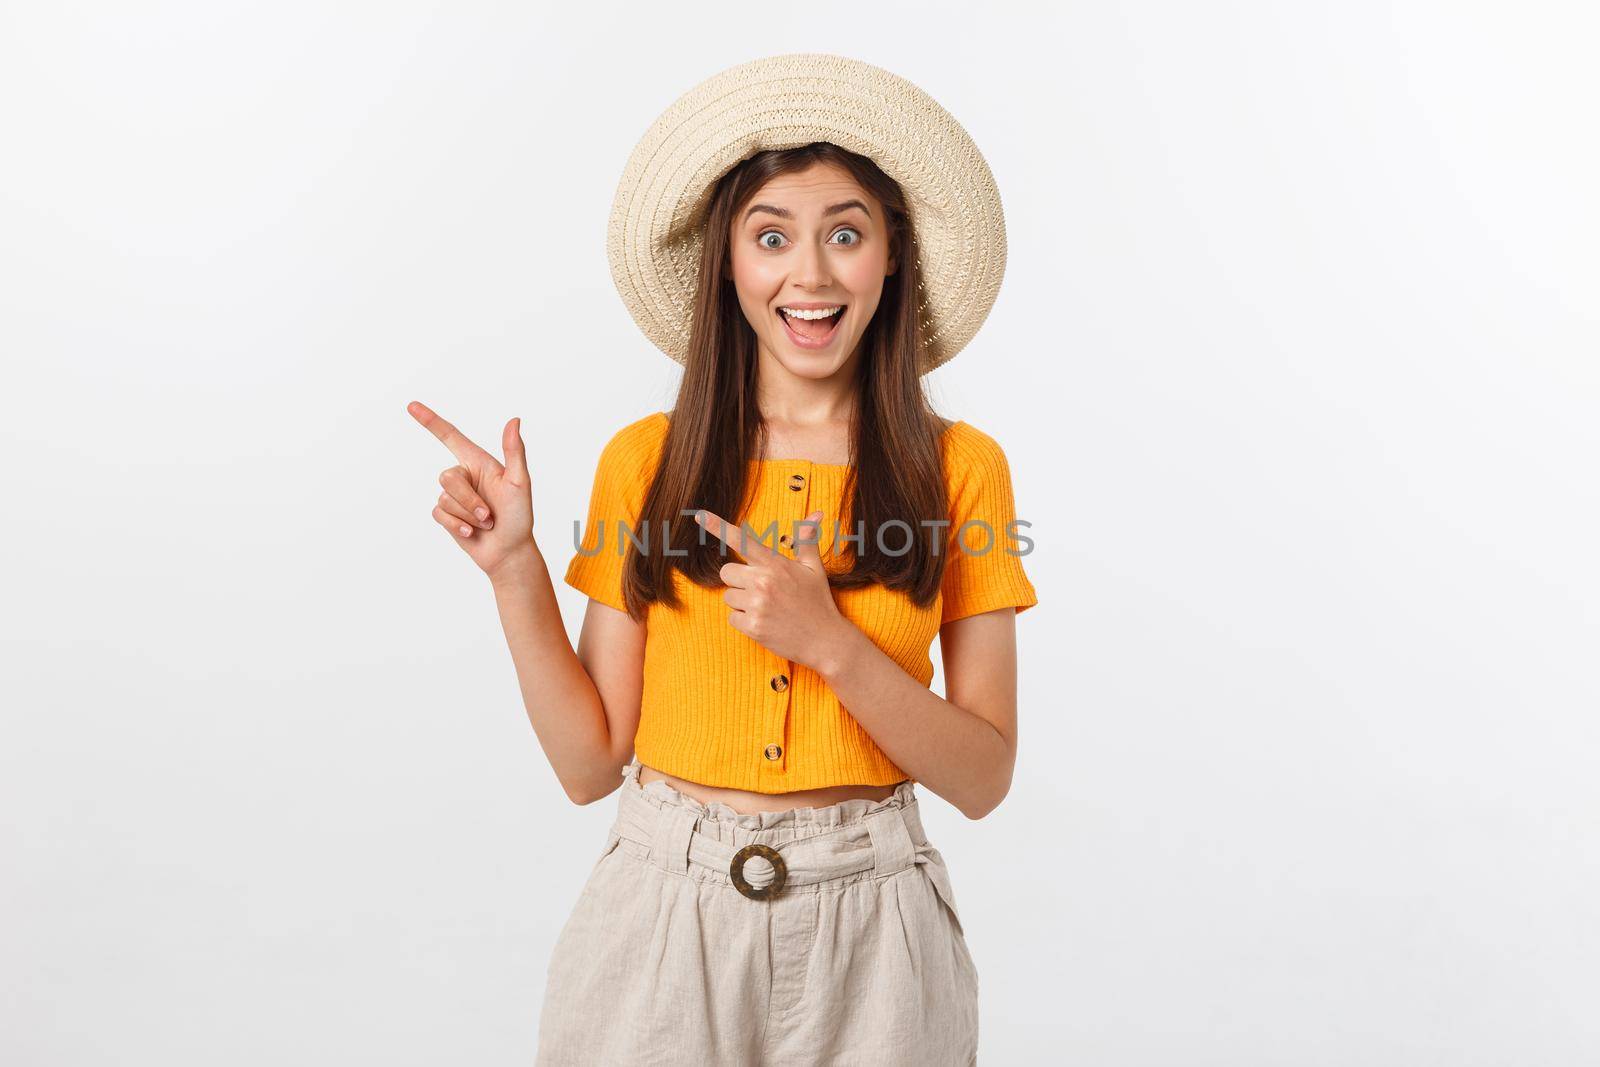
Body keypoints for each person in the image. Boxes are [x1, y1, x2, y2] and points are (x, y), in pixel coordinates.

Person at [407, 53, 1037, 1066]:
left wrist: (829, 643)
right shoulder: (646, 463)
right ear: (727, 263)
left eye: (846, 232)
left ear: (891, 257)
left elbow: (984, 775)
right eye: (771, 236)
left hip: (874, 934)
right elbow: (585, 764)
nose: (812, 274)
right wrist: (514, 569)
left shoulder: (961, 471)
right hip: (661, 914)